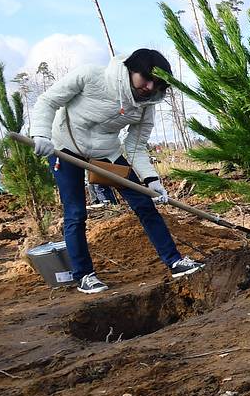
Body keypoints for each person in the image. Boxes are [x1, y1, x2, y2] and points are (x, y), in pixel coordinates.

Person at [29, 48, 203, 294]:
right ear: (131, 70)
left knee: (144, 204)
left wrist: (151, 178)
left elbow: (135, 145)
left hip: (105, 153)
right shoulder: (91, 76)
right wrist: (41, 134)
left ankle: (174, 260)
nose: (150, 86)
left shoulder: (147, 103)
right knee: (76, 213)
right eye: (146, 78)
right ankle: (84, 275)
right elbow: (48, 101)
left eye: (158, 83)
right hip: (64, 149)